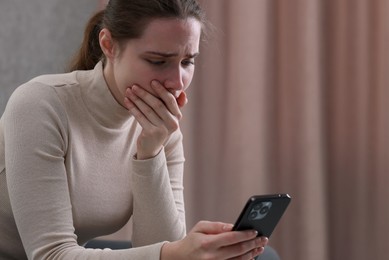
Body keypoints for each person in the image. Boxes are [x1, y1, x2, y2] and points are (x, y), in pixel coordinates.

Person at [0, 0, 269, 259]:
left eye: (187, 62)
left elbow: (162, 247)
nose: (177, 82)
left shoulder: (163, 130)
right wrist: (178, 252)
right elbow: (51, 255)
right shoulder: (40, 104)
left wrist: (151, 151)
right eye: (158, 61)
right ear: (108, 45)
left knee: (263, 256)